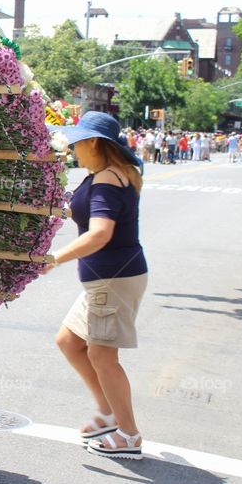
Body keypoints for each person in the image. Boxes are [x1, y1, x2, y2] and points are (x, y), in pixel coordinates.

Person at [47, 111, 148, 461]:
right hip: (107, 280)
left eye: (77, 141)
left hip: (113, 280)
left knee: (103, 356)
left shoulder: (107, 178)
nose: (73, 148)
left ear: (93, 142)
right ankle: (108, 414)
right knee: (69, 341)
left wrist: (55, 258)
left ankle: (129, 435)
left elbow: (100, 233)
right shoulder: (108, 174)